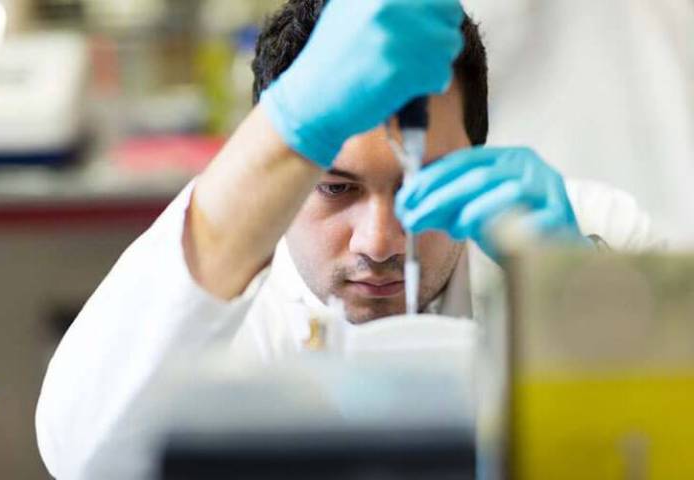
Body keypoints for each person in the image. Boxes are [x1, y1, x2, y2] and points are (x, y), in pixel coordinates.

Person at [36, 0, 659, 478]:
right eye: (336, 188)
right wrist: (294, 120)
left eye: (425, 185)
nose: (382, 241)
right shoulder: (213, 253)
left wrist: (577, 301)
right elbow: (83, 456)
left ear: (477, 152)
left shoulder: (580, 233)